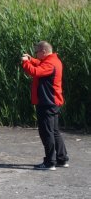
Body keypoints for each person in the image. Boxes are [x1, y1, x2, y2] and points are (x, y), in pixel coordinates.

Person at [21, 41, 68, 170]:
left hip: (47, 102)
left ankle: (50, 162)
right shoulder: (53, 60)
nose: (35, 53)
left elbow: (35, 71)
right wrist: (32, 59)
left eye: (37, 52)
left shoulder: (50, 64)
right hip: (52, 102)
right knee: (54, 131)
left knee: (47, 132)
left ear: (43, 51)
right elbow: (40, 64)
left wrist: (25, 62)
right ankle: (62, 159)